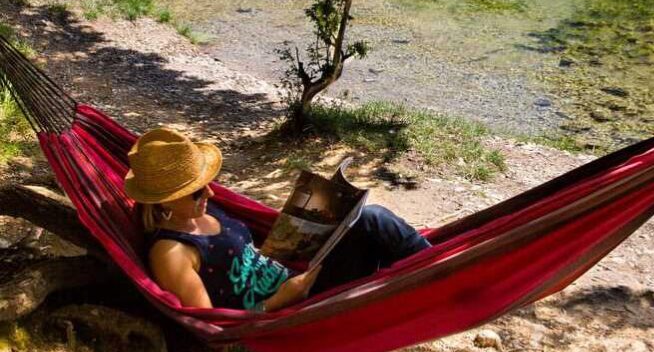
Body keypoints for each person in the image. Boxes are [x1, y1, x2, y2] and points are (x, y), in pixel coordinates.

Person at [123, 127, 430, 313]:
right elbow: (209, 323)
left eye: (206, 183)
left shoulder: (201, 210)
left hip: (297, 273)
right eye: (195, 191)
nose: (210, 194)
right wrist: (281, 301)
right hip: (296, 308)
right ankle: (439, 271)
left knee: (362, 218)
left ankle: (434, 266)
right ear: (163, 199)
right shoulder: (170, 253)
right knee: (375, 220)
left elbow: (242, 257)